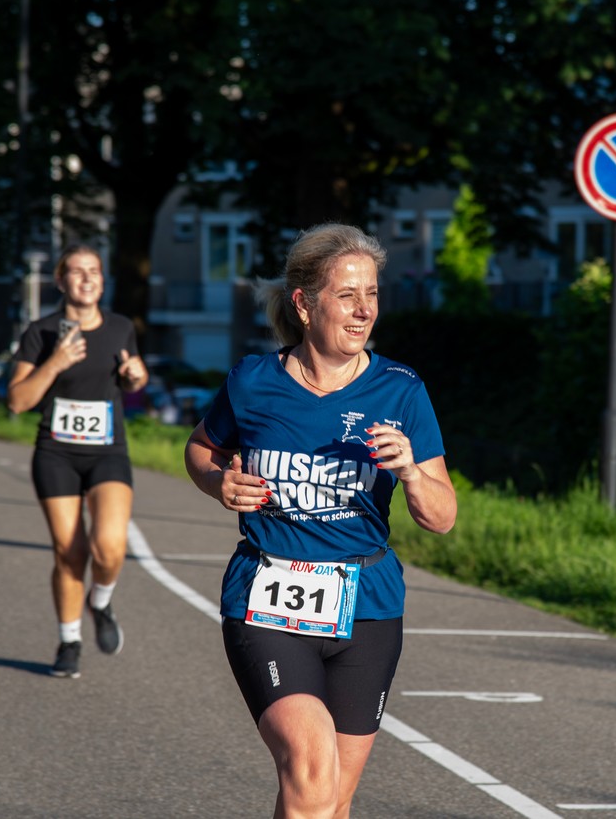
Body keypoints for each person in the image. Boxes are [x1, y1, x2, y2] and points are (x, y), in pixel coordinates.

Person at [184, 223, 457, 818]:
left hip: (368, 604)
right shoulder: (253, 382)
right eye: (347, 295)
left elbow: (442, 517)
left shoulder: (402, 391)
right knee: (310, 770)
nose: (364, 311)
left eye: (373, 294)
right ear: (305, 304)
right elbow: (202, 449)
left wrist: (412, 471)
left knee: (332, 801)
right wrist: (217, 481)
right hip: (268, 599)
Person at [7, 245, 149, 679]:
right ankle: (69, 641)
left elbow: (137, 373)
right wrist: (55, 362)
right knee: (70, 551)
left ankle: (100, 602)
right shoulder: (42, 332)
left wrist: (134, 378)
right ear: (60, 280)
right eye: (76, 271)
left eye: (95, 271)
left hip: (108, 451)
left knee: (109, 546)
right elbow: (17, 401)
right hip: (57, 453)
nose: (87, 278)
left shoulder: (121, 327)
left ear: (103, 281)